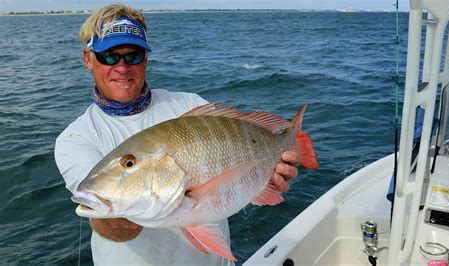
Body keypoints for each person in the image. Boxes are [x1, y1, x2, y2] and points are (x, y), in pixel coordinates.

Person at [55, 4, 301, 265]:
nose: (122, 67)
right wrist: (114, 207)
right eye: (109, 56)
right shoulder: (76, 139)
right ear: (88, 59)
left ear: (146, 59)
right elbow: (108, 226)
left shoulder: (190, 107)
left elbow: (239, 177)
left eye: (133, 55)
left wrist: (269, 178)